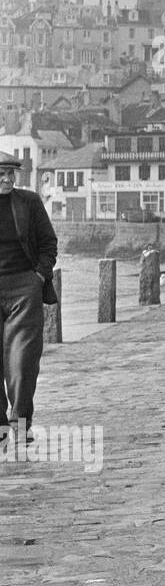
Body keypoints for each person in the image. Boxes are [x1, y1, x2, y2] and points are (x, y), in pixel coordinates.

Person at [0, 153, 58, 439]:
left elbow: (49, 243)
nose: (7, 179)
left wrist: (38, 276)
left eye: (11, 173)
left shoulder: (29, 202)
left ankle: (20, 424)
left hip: (24, 287)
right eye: (1, 174)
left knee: (23, 361)